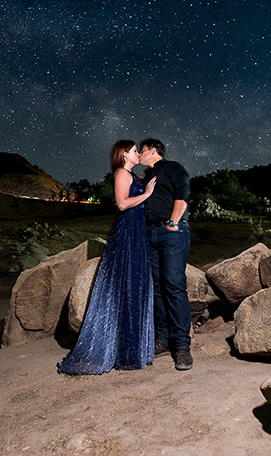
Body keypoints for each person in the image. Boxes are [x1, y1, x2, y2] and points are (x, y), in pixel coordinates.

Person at [57, 140, 157, 375]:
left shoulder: (131, 174)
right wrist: (148, 193)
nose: (137, 153)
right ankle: (124, 352)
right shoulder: (121, 173)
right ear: (124, 155)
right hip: (127, 233)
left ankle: (131, 350)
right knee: (125, 287)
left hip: (137, 233)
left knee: (134, 287)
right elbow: (122, 204)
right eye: (134, 150)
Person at [139, 138, 193, 371]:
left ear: (152, 150)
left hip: (171, 232)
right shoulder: (147, 176)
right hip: (151, 235)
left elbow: (183, 194)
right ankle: (162, 341)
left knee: (174, 286)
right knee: (158, 288)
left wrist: (173, 221)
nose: (138, 154)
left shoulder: (173, 168)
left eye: (141, 151)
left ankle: (182, 347)